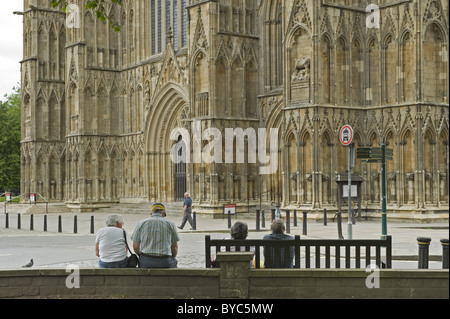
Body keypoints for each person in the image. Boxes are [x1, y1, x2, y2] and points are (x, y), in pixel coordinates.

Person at [131, 202, 180, 268]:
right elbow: (174, 247)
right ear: (163, 213)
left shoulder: (141, 223)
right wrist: (172, 257)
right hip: (165, 261)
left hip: (146, 261)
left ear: (151, 213)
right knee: (174, 261)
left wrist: (141, 256)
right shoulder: (170, 224)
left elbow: (135, 246)